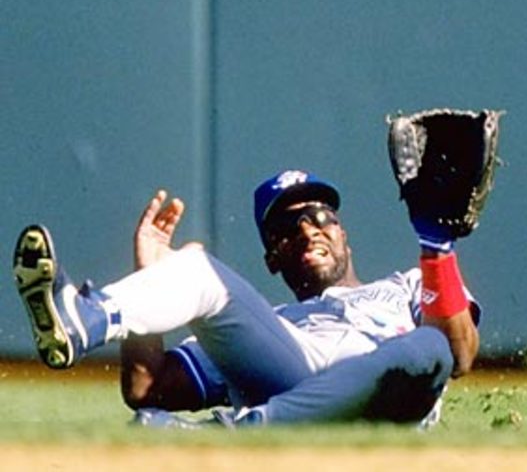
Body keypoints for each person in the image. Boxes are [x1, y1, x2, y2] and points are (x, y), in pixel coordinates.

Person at [12, 169, 480, 427]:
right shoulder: (270, 326)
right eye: (287, 227)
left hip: (386, 399)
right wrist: (150, 273)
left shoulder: (408, 285)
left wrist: (436, 247)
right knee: (196, 266)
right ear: (272, 258)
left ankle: (234, 433)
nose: (307, 229)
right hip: (296, 364)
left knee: (429, 344)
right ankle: (85, 320)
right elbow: (147, 390)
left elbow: (459, 355)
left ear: (344, 234)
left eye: (320, 216)